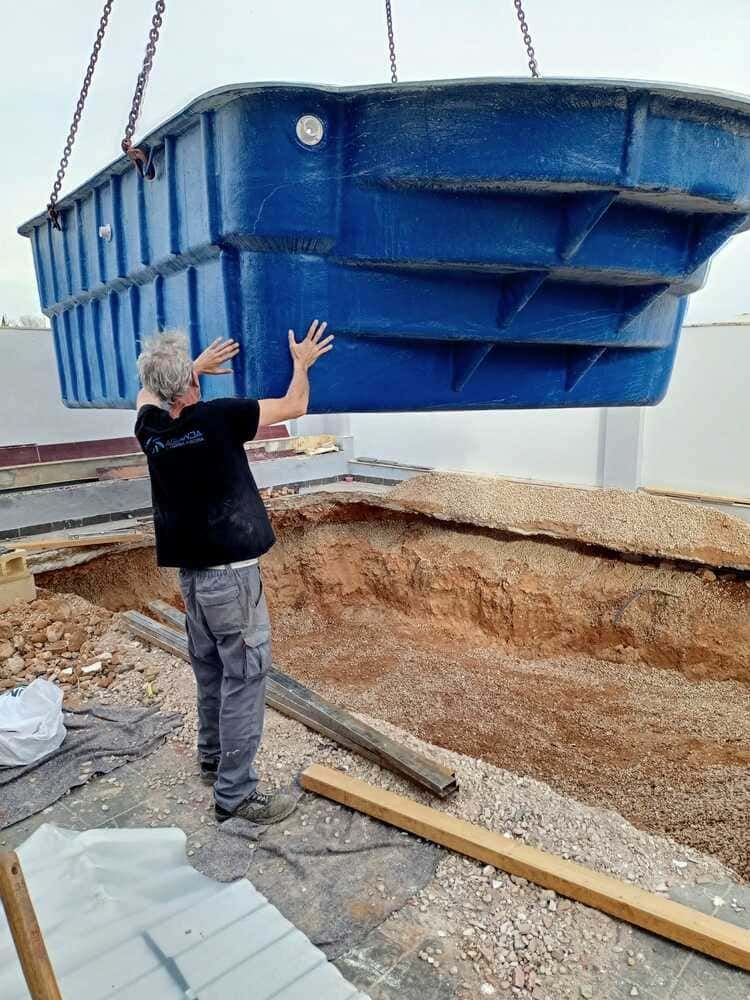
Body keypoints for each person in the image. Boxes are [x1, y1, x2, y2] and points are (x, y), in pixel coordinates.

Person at [134, 320, 334, 824]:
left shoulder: (151, 430)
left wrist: (191, 369)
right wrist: (302, 363)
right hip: (231, 581)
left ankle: (211, 760)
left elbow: (146, 395)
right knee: (245, 677)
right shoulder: (219, 417)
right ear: (190, 385)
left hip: (193, 581)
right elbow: (295, 406)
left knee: (211, 671)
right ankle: (235, 794)